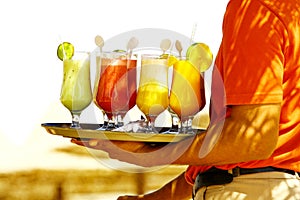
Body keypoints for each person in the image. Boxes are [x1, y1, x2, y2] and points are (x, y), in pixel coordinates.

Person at [72, 0, 300, 199]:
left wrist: (149, 153)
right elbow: (236, 153)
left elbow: (251, 140)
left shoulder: (257, 9)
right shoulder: (290, 11)